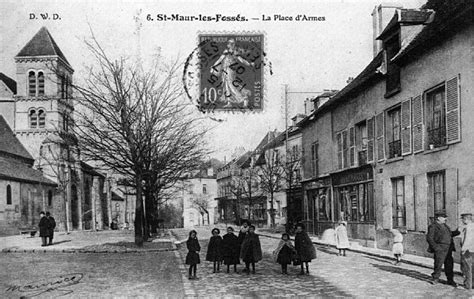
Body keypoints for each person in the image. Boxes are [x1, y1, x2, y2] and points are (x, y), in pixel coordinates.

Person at [210, 39, 255, 108]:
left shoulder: (235, 52)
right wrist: (214, 65)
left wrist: (249, 64)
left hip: (230, 70)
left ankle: (244, 99)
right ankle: (229, 102)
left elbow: (242, 60)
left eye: (231, 44)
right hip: (225, 70)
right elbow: (220, 59)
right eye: (230, 44)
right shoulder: (226, 52)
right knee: (226, 85)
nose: (230, 45)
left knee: (231, 85)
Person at [426, 211, 460, 286]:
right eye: (444, 217)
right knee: (438, 264)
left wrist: (457, 232)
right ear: (438, 218)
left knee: (449, 265)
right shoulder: (433, 226)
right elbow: (429, 238)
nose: (446, 219)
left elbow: (450, 234)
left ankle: (450, 280)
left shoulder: (445, 226)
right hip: (440, 248)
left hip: (448, 249)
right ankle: (435, 278)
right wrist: (436, 247)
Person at [460, 213, 474, 289]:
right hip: (473, 250)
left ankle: (467, 285)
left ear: (466, 219)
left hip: (467, 251)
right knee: (472, 268)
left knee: (466, 268)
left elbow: (467, 239)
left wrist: (463, 249)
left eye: (463, 219)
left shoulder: (468, 227)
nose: (462, 220)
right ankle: (472, 284)